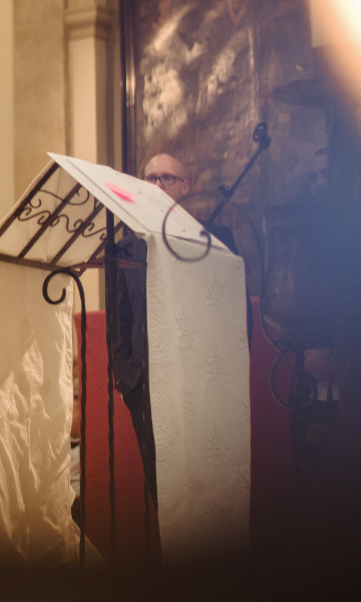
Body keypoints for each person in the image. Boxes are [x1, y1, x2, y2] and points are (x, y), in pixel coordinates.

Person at [111, 153, 241, 507]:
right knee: (161, 488)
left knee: (207, 483)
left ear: (185, 187)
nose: (156, 185)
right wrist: (124, 376)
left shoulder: (214, 236)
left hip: (202, 379)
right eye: (150, 179)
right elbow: (120, 317)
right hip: (144, 384)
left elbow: (232, 309)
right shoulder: (128, 245)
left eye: (165, 178)